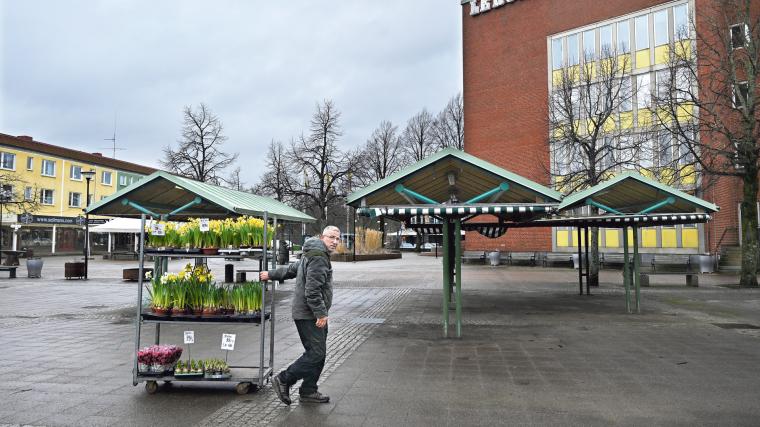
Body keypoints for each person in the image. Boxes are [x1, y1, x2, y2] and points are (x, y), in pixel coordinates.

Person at [259, 225, 340, 405]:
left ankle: (309, 389)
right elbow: (312, 291)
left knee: (318, 353)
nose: (335, 242)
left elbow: (293, 269)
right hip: (309, 314)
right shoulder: (319, 257)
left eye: (337, 238)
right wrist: (320, 314)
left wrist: (270, 274)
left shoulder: (312, 253)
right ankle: (284, 379)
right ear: (322, 237)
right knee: (316, 354)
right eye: (331, 237)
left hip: (309, 312)